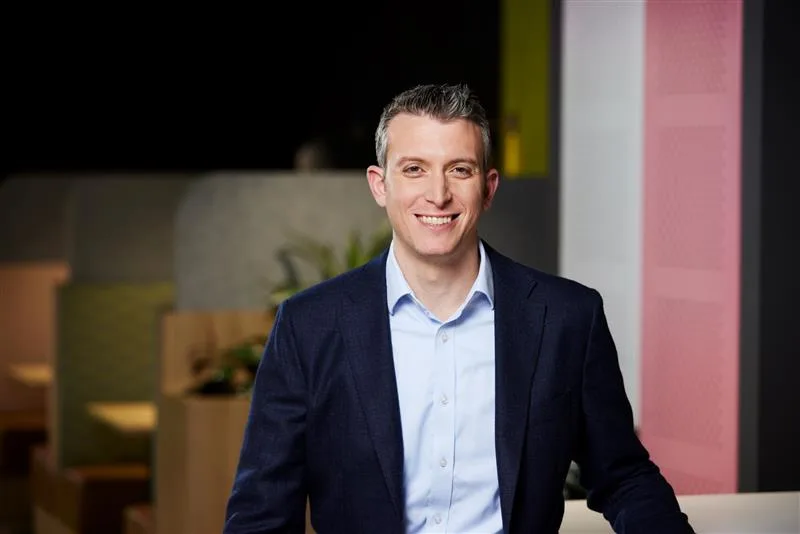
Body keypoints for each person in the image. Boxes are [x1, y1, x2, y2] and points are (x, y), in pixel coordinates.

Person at [223, 83, 693, 533]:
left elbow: (624, 477)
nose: (438, 193)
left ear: (488, 188)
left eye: (459, 169)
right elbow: (262, 513)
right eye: (413, 169)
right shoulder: (309, 326)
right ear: (379, 184)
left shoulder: (568, 318)